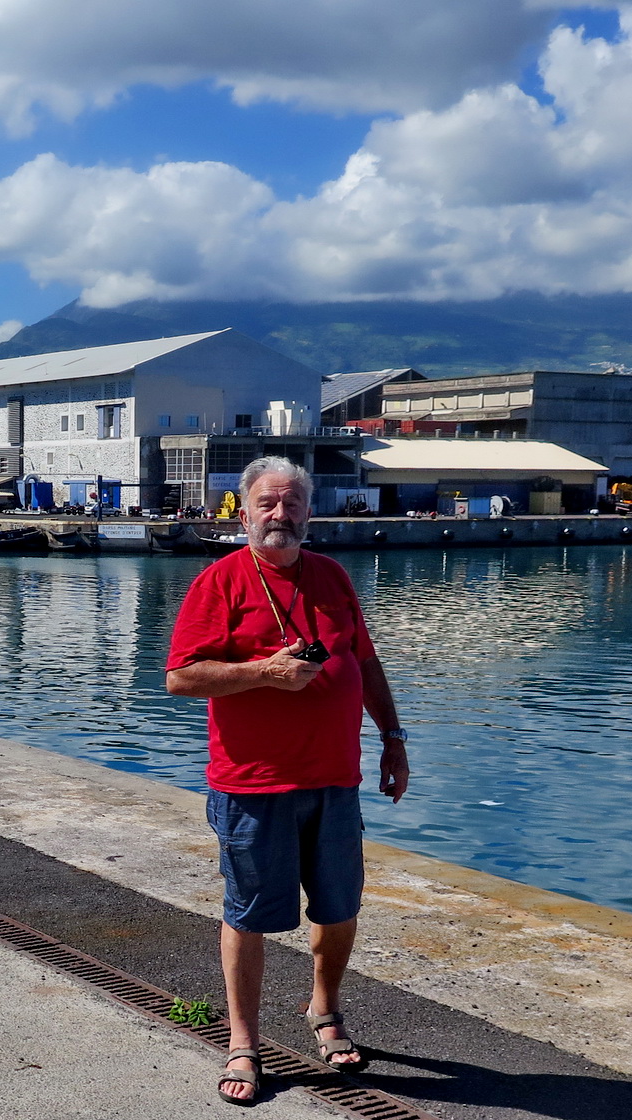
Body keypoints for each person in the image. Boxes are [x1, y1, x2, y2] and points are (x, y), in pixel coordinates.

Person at [166, 456, 409, 1105]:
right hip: (252, 785)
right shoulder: (219, 583)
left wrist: (392, 738)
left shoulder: (330, 576)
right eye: (266, 504)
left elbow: (363, 661)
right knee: (247, 914)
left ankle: (323, 1011)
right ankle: (242, 1042)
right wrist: (262, 673)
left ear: (308, 510)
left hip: (333, 780)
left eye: (291, 503)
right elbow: (180, 677)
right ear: (242, 511)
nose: (279, 514)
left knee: (339, 907)